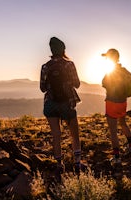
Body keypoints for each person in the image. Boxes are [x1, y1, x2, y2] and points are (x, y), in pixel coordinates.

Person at [40, 37, 82, 177]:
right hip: (67, 103)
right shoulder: (69, 65)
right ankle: (77, 163)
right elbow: (77, 84)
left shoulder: (45, 66)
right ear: (63, 49)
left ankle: (59, 165)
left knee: (56, 135)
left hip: (51, 104)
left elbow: (42, 88)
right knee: (74, 135)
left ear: (51, 50)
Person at [101, 48, 131, 164]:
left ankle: (117, 157)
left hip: (111, 102)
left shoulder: (110, 72)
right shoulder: (124, 70)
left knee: (113, 131)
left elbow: (103, 83)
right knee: (123, 123)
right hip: (123, 102)